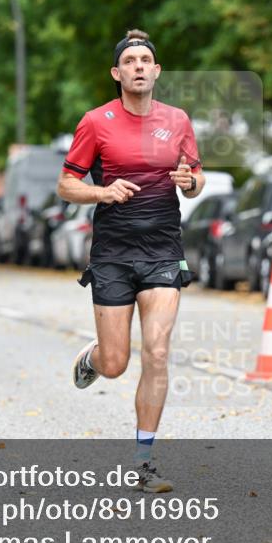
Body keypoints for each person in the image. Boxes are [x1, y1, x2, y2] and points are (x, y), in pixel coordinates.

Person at [56, 29, 205, 493]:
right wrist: (102, 191)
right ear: (117, 73)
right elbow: (66, 184)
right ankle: (93, 356)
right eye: (131, 61)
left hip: (163, 248)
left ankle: (143, 462)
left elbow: (197, 178)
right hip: (114, 253)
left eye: (146, 60)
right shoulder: (96, 122)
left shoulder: (178, 120)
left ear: (156, 71)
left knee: (157, 352)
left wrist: (189, 182)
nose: (139, 66)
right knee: (117, 362)